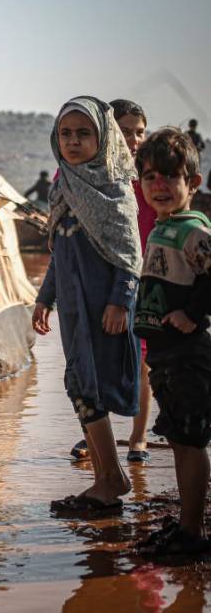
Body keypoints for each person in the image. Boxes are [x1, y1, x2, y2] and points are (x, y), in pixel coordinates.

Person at [32, 96, 142, 514]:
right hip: (75, 311)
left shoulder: (114, 189)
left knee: (94, 385)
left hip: (106, 309)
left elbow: (130, 258)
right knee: (80, 384)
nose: (73, 142)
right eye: (66, 134)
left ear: (103, 138)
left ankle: (110, 479)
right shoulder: (63, 187)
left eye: (84, 133)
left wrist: (120, 303)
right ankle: (107, 477)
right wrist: (45, 298)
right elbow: (59, 251)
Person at [132, 128, 211, 557]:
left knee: (192, 441)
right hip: (166, 356)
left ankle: (194, 532)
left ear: (192, 184)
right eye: (150, 177)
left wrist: (193, 314)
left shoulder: (190, 229)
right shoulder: (166, 227)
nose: (158, 186)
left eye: (170, 177)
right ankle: (186, 525)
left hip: (188, 354)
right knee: (180, 439)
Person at [69, 99, 155, 464]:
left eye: (139, 131)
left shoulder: (150, 175)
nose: (133, 139)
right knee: (92, 359)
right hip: (100, 280)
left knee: (142, 361)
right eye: (125, 131)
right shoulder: (91, 175)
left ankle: (138, 438)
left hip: (147, 276)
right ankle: (95, 437)